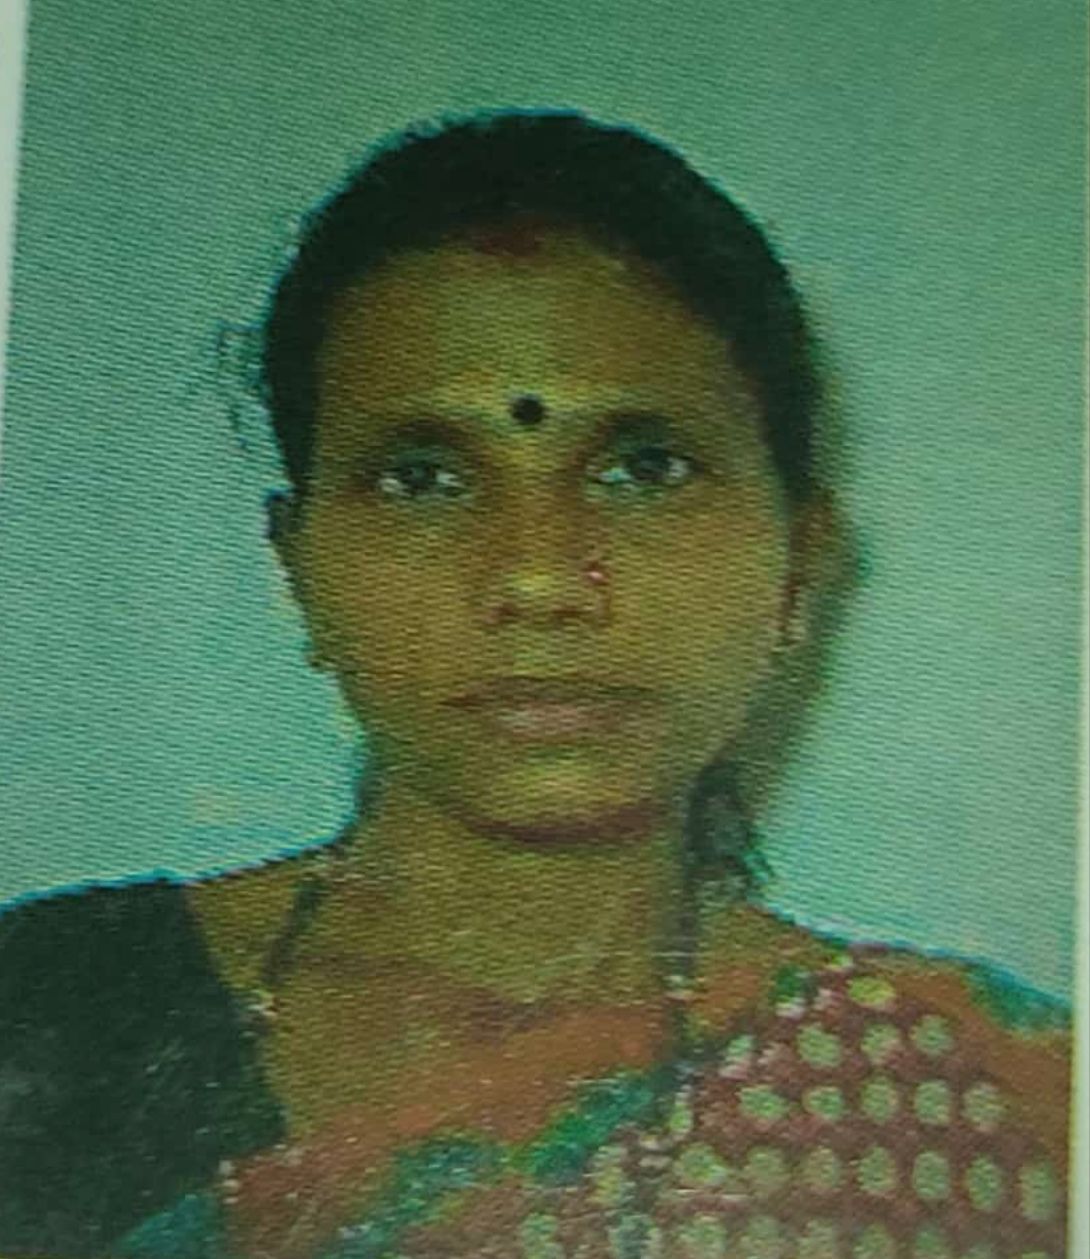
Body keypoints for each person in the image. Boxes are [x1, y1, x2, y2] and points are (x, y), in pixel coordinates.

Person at [0, 110, 1071, 1259]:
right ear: (299, 570)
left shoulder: (983, 1101)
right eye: (422, 477)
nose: (539, 576)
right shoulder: (42, 1011)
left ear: (796, 566)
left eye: (643, 467)